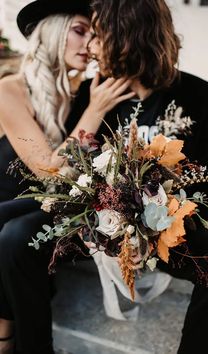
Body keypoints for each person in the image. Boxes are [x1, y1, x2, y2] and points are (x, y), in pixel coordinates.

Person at [82, 0, 208, 353]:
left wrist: (150, 234)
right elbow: (75, 172)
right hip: (93, 227)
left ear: (126, 36)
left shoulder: (200, 96)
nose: (91, 46)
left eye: (98, 34)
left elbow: (207, 193)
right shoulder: (95, 93)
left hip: (167, 229)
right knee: (16, 236)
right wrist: (107, 230)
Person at [0, 0, 136, 353]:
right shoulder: (8, 89)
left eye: (94, 35)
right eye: (79, 31)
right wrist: (95, 111)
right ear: (53, 34)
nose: (89, 45)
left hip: (35, 213)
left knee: (13, 237)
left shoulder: (77, 94)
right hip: (9, 205)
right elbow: (47, 168)